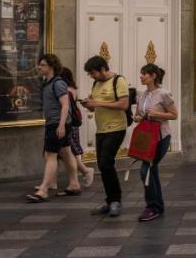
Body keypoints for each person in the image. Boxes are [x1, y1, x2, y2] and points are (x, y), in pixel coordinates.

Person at [80, 54, 131, 217]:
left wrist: (98, 103)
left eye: (92, 73)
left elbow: (124, 104)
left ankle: (116, 201)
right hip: (101, 129)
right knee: (103, 165)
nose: (91, 76)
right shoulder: (96, 83)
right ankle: (110, 201)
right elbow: (93, 109)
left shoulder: (119, 81)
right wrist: (89, 104)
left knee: (105, 163)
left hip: (116, 128)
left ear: (103, 69)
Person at [27, 54, 78, 203]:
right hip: (55, 123)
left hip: (57, 124)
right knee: (67, 154)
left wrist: (61, 125)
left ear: (51, 66)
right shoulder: (47, 82)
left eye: (42, 65)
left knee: (50, 156)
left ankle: (43, 190)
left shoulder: (58, 83)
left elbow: (65, 105)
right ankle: (74, 184)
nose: (39, 67)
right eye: (39, 64)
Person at [133, 63, 177, 222]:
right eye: (141, 73)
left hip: (161, 137)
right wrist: (137, 117)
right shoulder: (142, 95)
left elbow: (174, 115)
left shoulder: (164, 94)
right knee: (152, 170)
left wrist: (157, 113)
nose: (141, 76)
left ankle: (152, 207)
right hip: (147, 137)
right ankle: (157, 205)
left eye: (144, 74)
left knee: (146, 170)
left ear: (153, 76)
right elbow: (138, 114)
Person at [59, 67, 95, 189]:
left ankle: (85, 171)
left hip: (68, 124)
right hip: (71, 123)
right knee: (65, 152)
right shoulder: (73, 89)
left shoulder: (66, 90)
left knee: (69, 152)